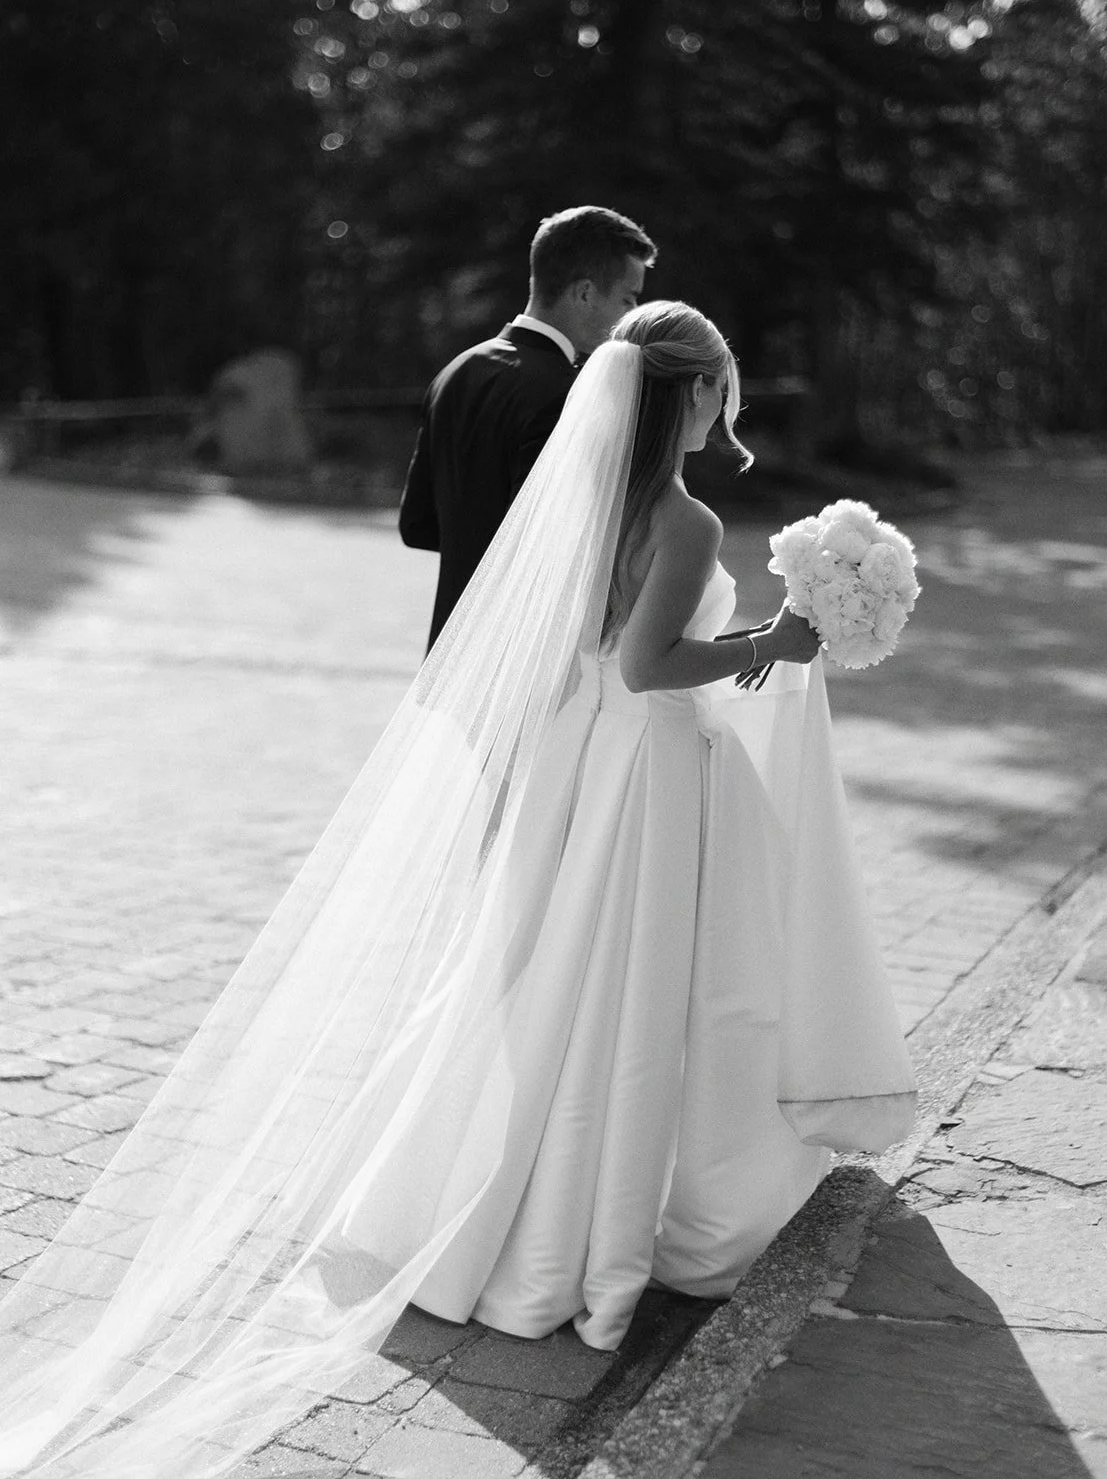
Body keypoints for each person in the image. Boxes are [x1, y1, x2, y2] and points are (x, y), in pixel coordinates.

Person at [0, 303, 915, 1479]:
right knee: (646, 983)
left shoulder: (591, 500)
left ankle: (497, 1184)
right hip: (648, 767)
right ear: (687, 393)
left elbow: (594, 653)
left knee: (544, 969)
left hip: (578, 757)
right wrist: (768, 647)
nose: (723, 414)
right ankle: (606, 1216)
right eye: (721, 392)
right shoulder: (684, 521)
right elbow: (651, 666)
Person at [399, 204, 657, 647]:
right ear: (584, 293)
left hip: (449, 649)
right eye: (629, 298)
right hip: (522, 654)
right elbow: (554, 547)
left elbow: (418, 525)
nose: (631, 315)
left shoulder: (456, 372)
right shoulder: (570, 395)